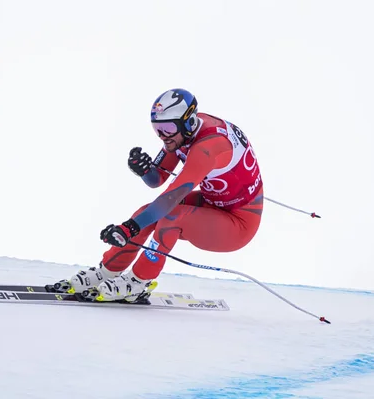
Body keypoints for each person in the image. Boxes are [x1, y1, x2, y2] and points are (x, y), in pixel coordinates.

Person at [55, 88, 264, 302]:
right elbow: (158, 180)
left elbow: (170, 197)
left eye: (167, 129)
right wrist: (146, 171)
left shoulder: (208, 147)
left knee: (170, 218)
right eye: (157, 129)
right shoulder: (183, 132)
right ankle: (107, 271)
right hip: (216, 203)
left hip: (238, 224)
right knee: (146, 213)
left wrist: (129, 227)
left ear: (189, 123)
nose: (163, 136)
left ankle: (138, 281)